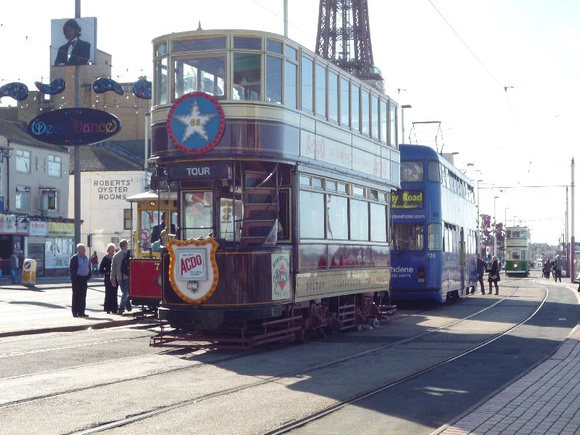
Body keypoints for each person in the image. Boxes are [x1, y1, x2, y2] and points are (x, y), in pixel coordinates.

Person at [69, 243, 91, 318]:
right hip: (77, 279)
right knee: (76, 295)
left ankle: (82, 312)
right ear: (78, 250)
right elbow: (72, 269)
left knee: (83, 296)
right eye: (83, 249)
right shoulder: (74, 258)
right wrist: (75, 277)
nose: (84, 250)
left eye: (84, 249)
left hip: (84, 279)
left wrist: (88, 275)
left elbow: (88, 267)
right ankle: (75, 312)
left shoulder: (85, 257)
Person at [111, 239, 132, 315]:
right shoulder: (129, 253)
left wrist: (113, 279)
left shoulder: (115, 256)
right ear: (126, 245)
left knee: (124, 292)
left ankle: (128, 307)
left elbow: (113, 269)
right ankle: (121, 308)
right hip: (128, 276)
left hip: (119, 277)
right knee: (125, 293)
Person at [99, 243, 118, 314]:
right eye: (110, 249)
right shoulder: (105, 258)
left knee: (114, 293)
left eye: (113, 249)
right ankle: (108, 308)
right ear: (108, 250)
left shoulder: (116, 257)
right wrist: (106, 272)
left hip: (115, 277)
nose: (112, 251)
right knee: (108, 293)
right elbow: (101, 268)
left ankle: (114, 309)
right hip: (108, 278)